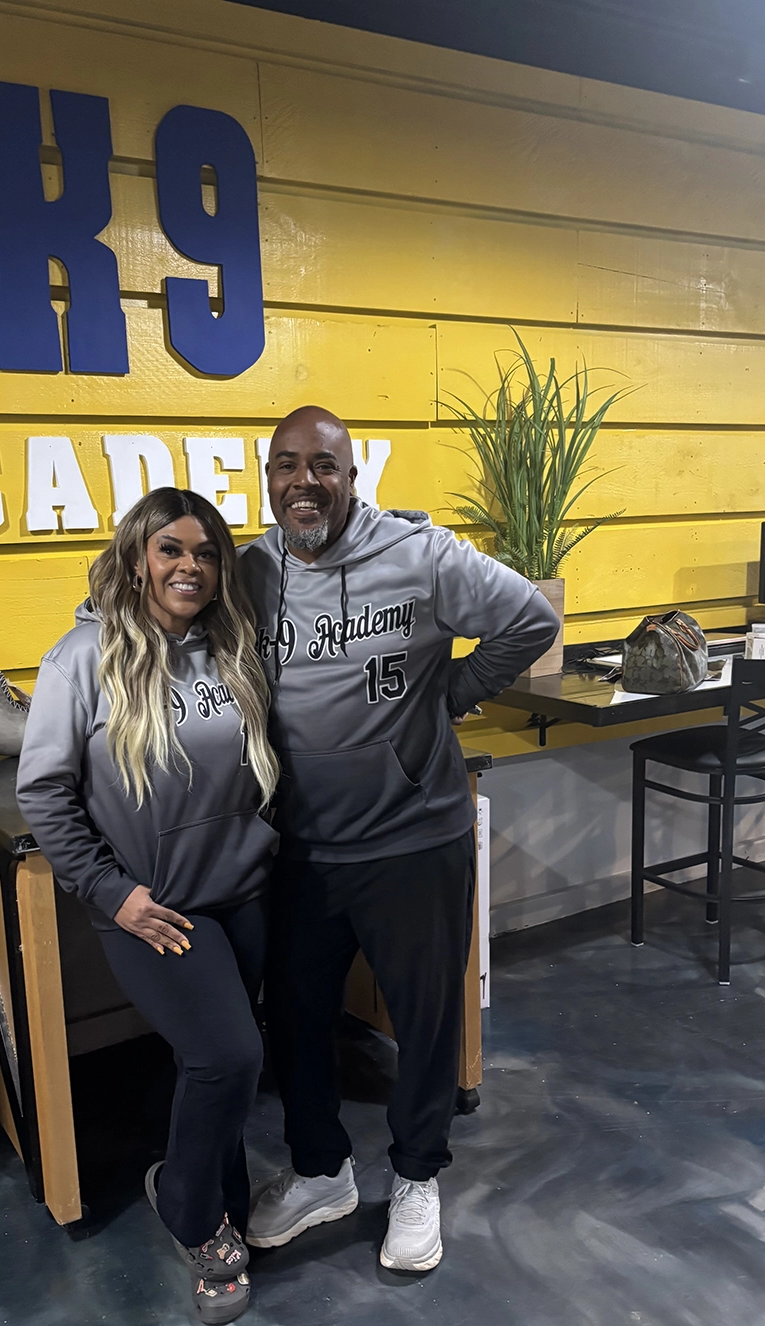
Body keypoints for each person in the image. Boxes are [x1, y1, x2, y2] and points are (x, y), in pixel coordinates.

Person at [239, 407, 559, 1272]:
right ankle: (321, 1172)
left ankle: (417, 1177)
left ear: (352, 476)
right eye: (285, 465)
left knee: (425, 1019)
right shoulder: (250, 570)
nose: (303, 481)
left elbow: (531, 620)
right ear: (268, 477)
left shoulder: (420, 556)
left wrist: (448, 693)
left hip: (415, 839)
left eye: (323, 466)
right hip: (303, 846)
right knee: (298, 1019)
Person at [16, 489, 281, 1326]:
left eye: (205, 554)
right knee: (226, 1058)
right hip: (155, 910)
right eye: (170, 550)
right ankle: (191, 1214)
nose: (189, 568)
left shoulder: (230, 649)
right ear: (137, 557)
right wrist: (111, 893)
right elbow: (44, 793)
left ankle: (221, 1190)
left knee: (223, 1058)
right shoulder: (81, 658)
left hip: (244, 891)